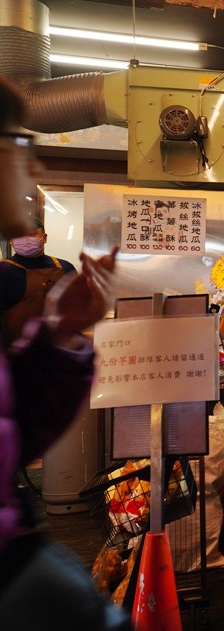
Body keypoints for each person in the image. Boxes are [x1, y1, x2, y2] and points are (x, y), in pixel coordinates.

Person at [0, 76, 123, 629]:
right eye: (19, 145)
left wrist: (61, 337)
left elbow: (13, 425)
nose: (36, 170)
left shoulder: (61, 271)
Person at [1, 215, 77, 345]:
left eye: (32, 234)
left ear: (45, 238)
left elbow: (76, 310)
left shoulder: (65, 268)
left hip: (59, 351)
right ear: (11, 241)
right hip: (16, 354)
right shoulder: (3, 271)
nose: (25, 239)